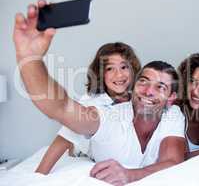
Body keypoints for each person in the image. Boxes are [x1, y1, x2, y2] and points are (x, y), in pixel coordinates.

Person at [13, 0, 186, 186]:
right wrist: (30, 59)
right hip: (87, 142)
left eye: (160, 87)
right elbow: (61, 109)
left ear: (171, 98)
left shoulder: (173, 114)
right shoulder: (103, 111)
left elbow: (173, 161)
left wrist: (131, 175)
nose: (148, 91)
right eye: (144, 82)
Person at [35, 42, 141, 174]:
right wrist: (39, 174)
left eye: (124, 67)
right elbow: (64, 137)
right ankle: (76, 149)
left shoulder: (138, 96)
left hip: (125, 154)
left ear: (133, 69)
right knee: (77, 134)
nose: (119, 75)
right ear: (101, 74)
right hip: (92, 146)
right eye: (110, 69)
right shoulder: (92, 102)